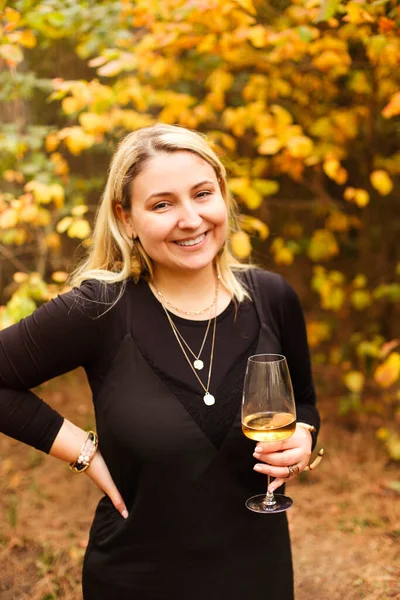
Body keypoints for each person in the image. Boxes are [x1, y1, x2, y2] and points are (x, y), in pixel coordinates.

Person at [0, 124, 320, 599]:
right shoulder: (100, 309)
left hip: (260, 574)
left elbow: (306, 405)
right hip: (137, 577)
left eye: (202, 194)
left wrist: (304, 438)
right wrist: (82, 453)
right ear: (126, 218)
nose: (191, 219)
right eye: (162, 204)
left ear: (223, 197)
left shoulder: (272, 298)